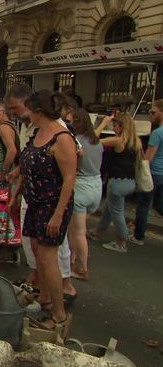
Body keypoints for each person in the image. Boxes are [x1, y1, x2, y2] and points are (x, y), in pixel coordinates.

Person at [6, 83, 76, 306]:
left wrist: (57, 215)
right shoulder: (36, 132)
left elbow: (69, 178)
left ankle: (58, 309)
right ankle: (44, 295)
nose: (17, 114)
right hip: (34, 201)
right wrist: (16, 194)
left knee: (48, 256)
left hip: (50, 203)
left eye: (20, 109)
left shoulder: (61, 136)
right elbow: (29, 166)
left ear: (37, 111)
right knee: (37, 250)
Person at [90, 112, 142, 253]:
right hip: (130, 182)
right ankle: (97, 231)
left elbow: (93, 140)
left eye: (115, 125)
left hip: (117, 182)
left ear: (121, 126)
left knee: (117, 212)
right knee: (109, 206)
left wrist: (103, 123)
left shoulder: (118, 141)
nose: (113, 128)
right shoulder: (136, 141)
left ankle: (121, 242)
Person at [67, 107, 103, 281]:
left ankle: (82, 268)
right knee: (74, 229)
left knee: (79, 231)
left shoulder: (76, 141)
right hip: (97, 185)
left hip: (81, 186)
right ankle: (72, 259)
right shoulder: (96, 141)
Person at [132, 100, 163, 245]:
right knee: (159, 205)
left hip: (154, 173)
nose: (149, 115)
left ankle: (138, 236)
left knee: (144, 205)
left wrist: (138, 151)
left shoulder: (157, 133)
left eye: (153, 112)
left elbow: (148, 158)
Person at [0, 101, 18, 184]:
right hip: (0, 172)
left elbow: (12, 150)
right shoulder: (8, 126)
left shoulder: (3, 127)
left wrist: (3, 172)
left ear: (3, 112)